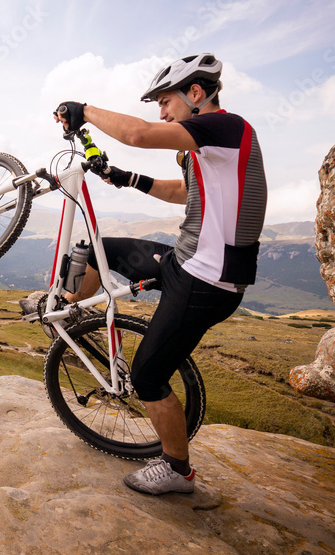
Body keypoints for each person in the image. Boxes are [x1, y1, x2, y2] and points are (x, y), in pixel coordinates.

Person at [53, 53, 267, 495]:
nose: (162, 112)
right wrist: (128, 178)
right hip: (183, 263)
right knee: (96, 249)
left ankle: (177, 471)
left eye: (165, 101)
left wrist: (84, 109)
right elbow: (183, 193)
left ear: (196, 93)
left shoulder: (225, 127)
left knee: (148, 377)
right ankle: (72, 316)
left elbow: (138, 133)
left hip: (206, 282)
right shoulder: (203, 149)